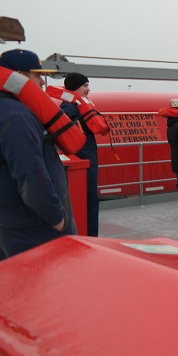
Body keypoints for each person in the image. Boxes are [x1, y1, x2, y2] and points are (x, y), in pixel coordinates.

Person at [0, 49, 76, 262]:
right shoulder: (14, 114)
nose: (43, 82)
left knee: (17, 288)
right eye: (37, 75)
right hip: (34, 229)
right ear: (19, 76)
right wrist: (58, 219)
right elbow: (33, 177)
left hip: (2, 222)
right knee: (52, 289)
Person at [59, 73, 102, 236]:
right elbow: (70, 137)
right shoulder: (69, 108)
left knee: (90, 202)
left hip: (87, 157)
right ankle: (89, 238)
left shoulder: (77, 105)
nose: (88, 89)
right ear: (74, 87)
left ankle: (90, 236)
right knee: (87, 202)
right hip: (83, 159)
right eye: (85, 85)